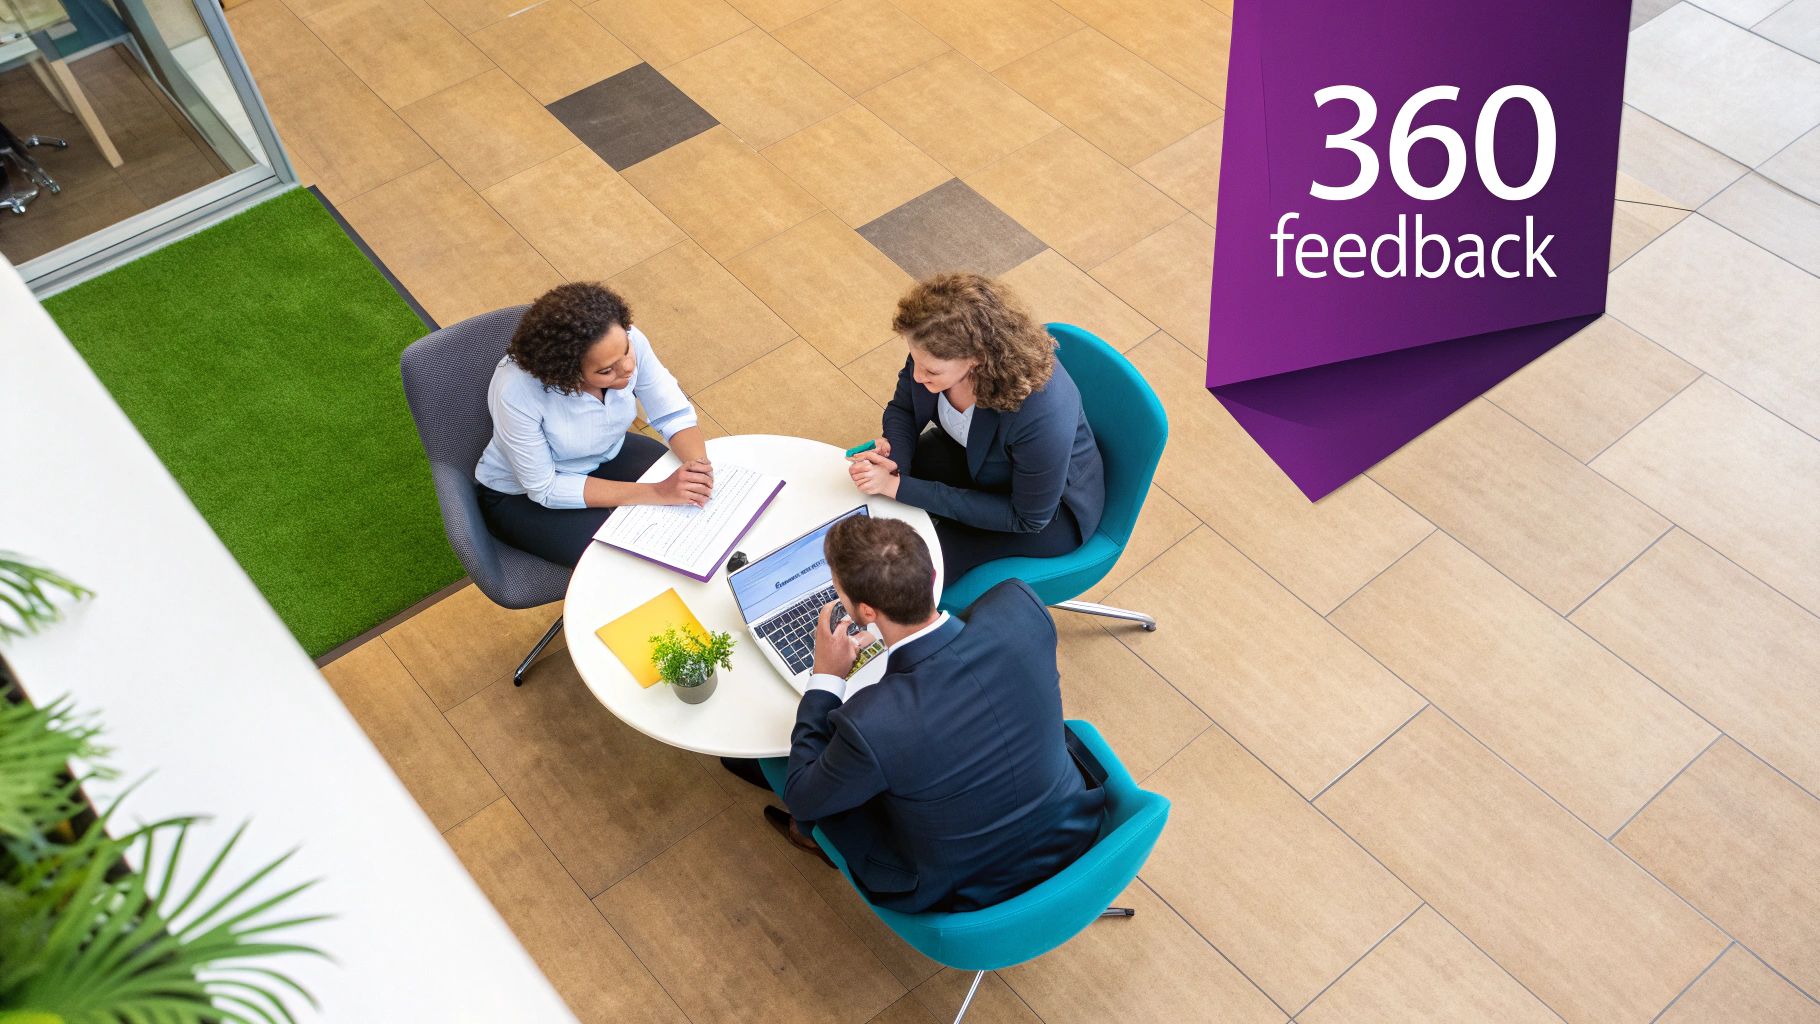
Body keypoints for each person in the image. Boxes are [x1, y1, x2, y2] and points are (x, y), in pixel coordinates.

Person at [764, 516, 1106, 913]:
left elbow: (803, 797)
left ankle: (806, 838)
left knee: (822, 795)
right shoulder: (1020, 608)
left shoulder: (872, 723)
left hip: (970, 889)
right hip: (1073, 825)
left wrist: (826, 678)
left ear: (865, 612)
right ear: (931, 579)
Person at [848, 273, 1105, 580]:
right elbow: (904, 410)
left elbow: (1026, 517)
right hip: (975, 461)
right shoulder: (934, 347)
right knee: (862, 505)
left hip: (1042, 514)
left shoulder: (1040, 414)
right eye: (915, 361)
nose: (917, 376)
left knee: (905, 573)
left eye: (930, 370)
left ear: (977, 359)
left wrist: (897, 486)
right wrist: (895, 464)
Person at [473, 282, 714, 567]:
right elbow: (545, 487)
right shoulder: (516, 391)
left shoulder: (626, 341)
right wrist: (659, 492)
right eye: (606, 370)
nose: (627, 368)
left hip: (605, 454)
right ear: (566, 372)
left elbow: (672, 413)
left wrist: (699, 470)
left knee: (691, 523)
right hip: (523, 495)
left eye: (626, 350)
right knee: (624, 562)